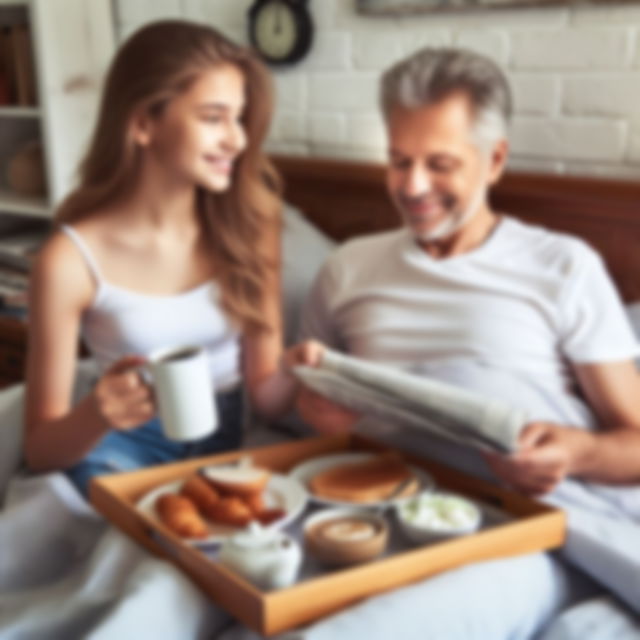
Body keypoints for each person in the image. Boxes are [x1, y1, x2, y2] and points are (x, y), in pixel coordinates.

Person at [284, 47, 640, 639]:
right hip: (379, 507)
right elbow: (306, 405)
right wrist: (314, 409)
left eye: (439, 164)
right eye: (399, 162)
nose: (414, 186)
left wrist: (574, 453)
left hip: (520, 525)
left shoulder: (562, 267)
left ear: (494, 160)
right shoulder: (347, 268)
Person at [24, 21, 297, 496]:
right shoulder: (68, 261)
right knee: (136, 547)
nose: (237, 139)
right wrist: (95, 415)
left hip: (225, 444)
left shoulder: (251, 228)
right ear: (143, 123)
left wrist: (305, 374)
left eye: (239, 118)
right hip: (121, 449)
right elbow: (41, 450)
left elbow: (267, 398)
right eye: (213, 118)